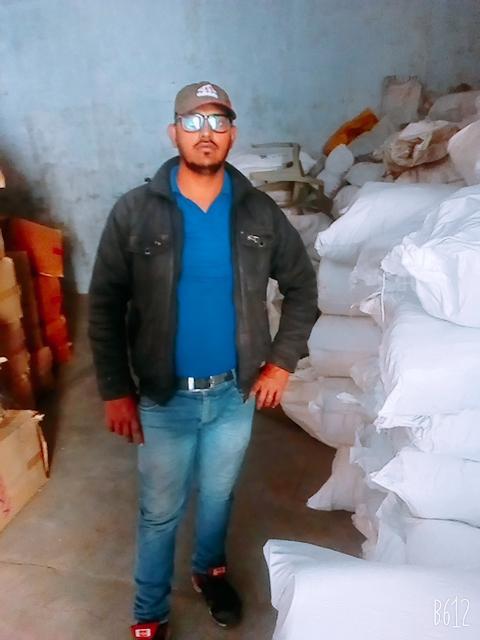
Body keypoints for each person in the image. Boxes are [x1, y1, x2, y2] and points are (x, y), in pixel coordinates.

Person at [88, 81, 317, 640]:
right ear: (174, 133)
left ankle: (209, 571)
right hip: (164, 396)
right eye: (193, 122)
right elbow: (104, 304)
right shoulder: (136, 211)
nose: (205, 133)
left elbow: (302, 287)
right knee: (160, 510)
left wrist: (281, 362)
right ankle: (149, 611)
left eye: (217, 122)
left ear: (232, 135)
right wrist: (115, 390)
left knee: (218, 495)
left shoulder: (257, 211)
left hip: (234, 394)